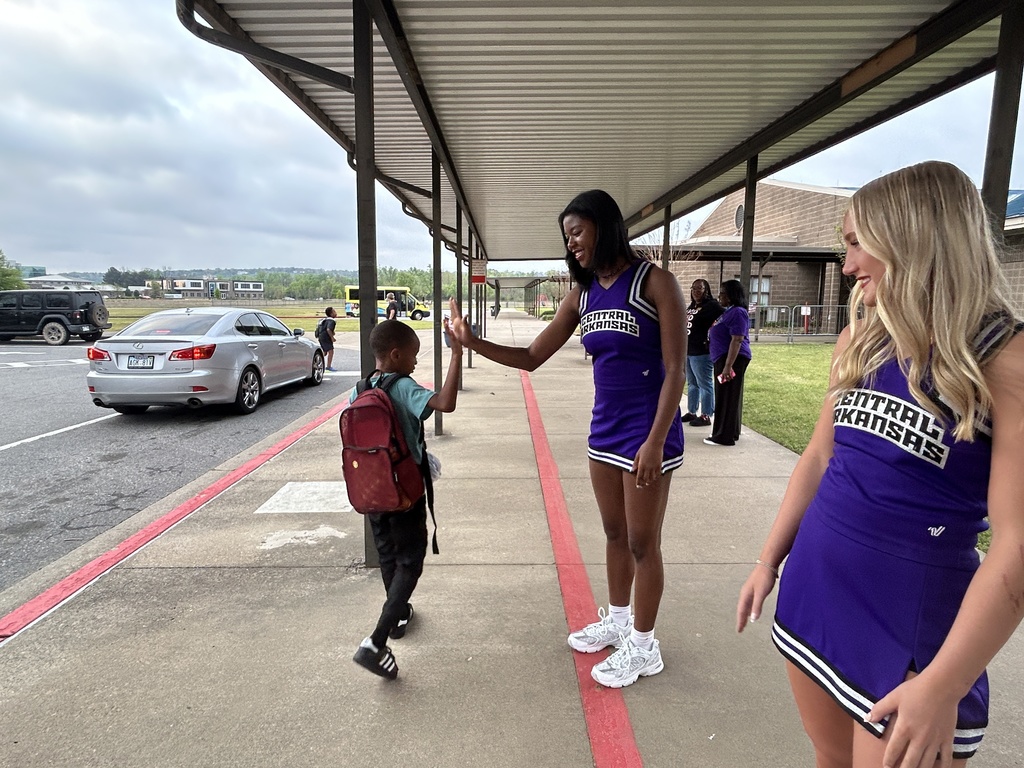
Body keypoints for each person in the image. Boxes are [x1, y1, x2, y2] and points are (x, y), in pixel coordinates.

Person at [736, 160, 1024, 767]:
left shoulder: (1005, 358)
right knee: (828, 759)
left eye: (855, 243)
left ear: (911, 235)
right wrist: (770, 560)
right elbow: (819, 458)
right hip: (815, 595)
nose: (845, 266)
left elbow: (1017, 544)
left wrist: (944, 685)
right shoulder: (861, 338)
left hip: (914, 636)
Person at [448, 189, 686, 688]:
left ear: (604, 225)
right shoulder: (582, 294)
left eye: (577, 232)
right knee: (615, 535)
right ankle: (619, 624)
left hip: (647, 435)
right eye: (567, 237)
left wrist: (655, 441)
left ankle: (644, 647)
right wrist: (472, 343)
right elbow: (533, 356)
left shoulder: (656, 283)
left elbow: (675, 369)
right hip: (604, 433)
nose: (571, 243)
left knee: (645, 544)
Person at [352, 318, 462, 680]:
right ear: (396, 355)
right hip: (404, 492)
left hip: (371, 489)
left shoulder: (360, 388)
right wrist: (457, 353)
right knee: (410, 562)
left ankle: (397, 617)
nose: (415, 363)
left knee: (387, 554)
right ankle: (376, 641)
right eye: (413, 357)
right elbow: (445, 402)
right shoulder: (402, 387)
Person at [703, 279, 751, 446]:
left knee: (726, 396)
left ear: (731, 295)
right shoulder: (729, 311)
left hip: (731, 359)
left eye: (723, 293)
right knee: (729, 395)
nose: (719, 296)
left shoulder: (738, 312)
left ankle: (723, 436)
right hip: (723, 357)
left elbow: (737, 339)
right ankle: (732, 432)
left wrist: (728, 366)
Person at [682, 278, 724, 428]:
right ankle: (692, 411)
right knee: (692, 383)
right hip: (688, 351)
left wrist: (711, 336)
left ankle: (706, 414)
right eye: (693, 289)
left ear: (706, 290)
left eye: (699, 289)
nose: (696, 292)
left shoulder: (712, 306)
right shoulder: (692, 306)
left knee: (705, 384)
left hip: (702, 352)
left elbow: (723, 317)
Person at [318, 306, 338, 372]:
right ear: (331, 313)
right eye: (334, 311)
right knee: (331, 351)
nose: (336, 313)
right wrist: (332, 337)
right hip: (326, 338)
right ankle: (328, 366)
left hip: (321, 337)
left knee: (325, 352)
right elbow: (328, 329)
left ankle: (317, 362)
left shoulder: (324, 320)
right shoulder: (332, 321)